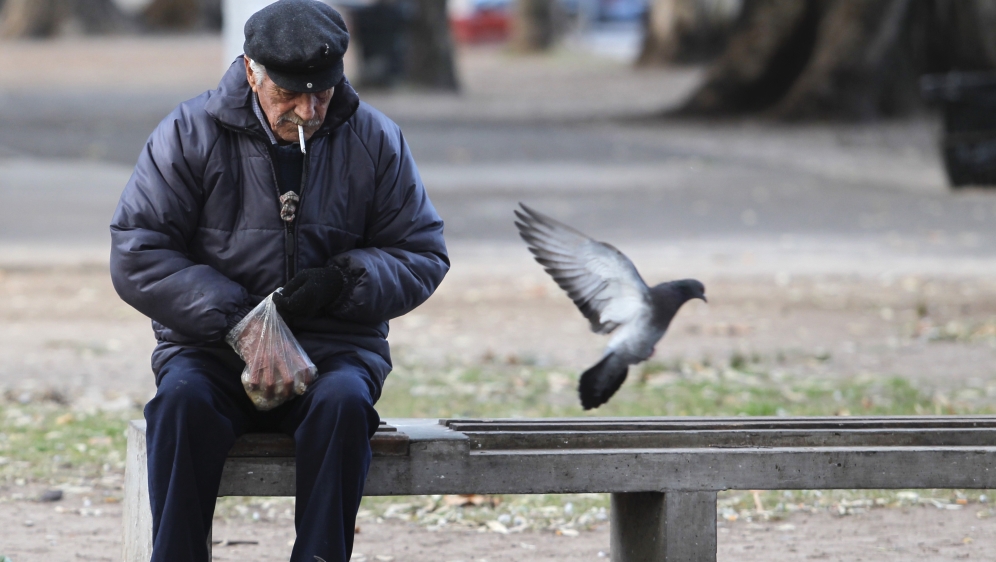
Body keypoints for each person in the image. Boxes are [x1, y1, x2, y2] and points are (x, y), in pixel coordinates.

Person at [109, 1, 449, 560]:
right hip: (209, 349)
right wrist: (242, 322)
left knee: (342, 406)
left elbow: (422, 252)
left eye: (322, 93)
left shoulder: (376, 139)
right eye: (289, 94)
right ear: (250, 71)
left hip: (335, 349)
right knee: (180, 405)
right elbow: (137, 251)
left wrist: (343, 281)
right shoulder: (188, 133)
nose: (308, 110)